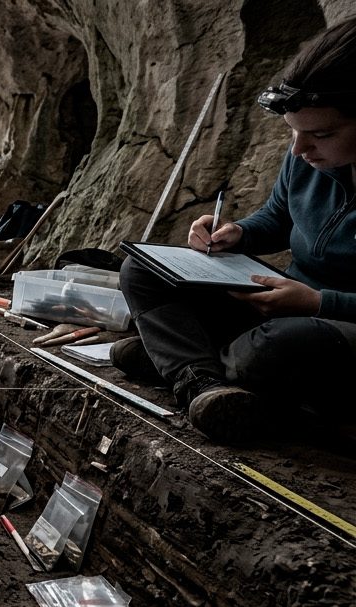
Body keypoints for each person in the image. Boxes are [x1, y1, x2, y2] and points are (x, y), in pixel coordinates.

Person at [114, 18, 356, 443]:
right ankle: (202, 385)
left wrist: (319, 302)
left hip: (325, 325)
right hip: (285, 304)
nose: (300, 150)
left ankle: (178, 359)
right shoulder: (307, 156)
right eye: (293, 134)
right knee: (142, 269)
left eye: (321, 134)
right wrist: (238, 234)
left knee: (281, 345)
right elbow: (279, 217)